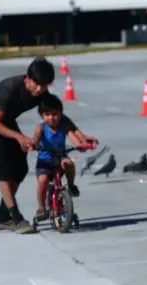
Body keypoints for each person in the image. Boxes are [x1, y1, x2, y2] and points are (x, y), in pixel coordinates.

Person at [0, 56, 55, 233]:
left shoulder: (42, 92)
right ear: (27, 78)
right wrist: (19, 137)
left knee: (19, 169)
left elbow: (54, 113)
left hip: (8, 123)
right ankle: (16, 217)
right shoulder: (10, 89)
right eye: (36, 84)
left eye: (44, 86)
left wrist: (78, 135)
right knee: (4, 173)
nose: (39, 89)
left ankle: (2, 218)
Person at [31, 93, 98, 229]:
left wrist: (80, 145)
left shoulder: (64, 125)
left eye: (55, 114)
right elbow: (35, 141)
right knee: (43, 181)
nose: (52, 118)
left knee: (68, 163)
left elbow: (73, 136)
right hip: (45, 161)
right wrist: (34, 145)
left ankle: (71, 186)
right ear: (42, 116)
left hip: (60, 158)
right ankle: (41, 208)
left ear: (61, 114)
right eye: (47, 115)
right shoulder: (40, 128)